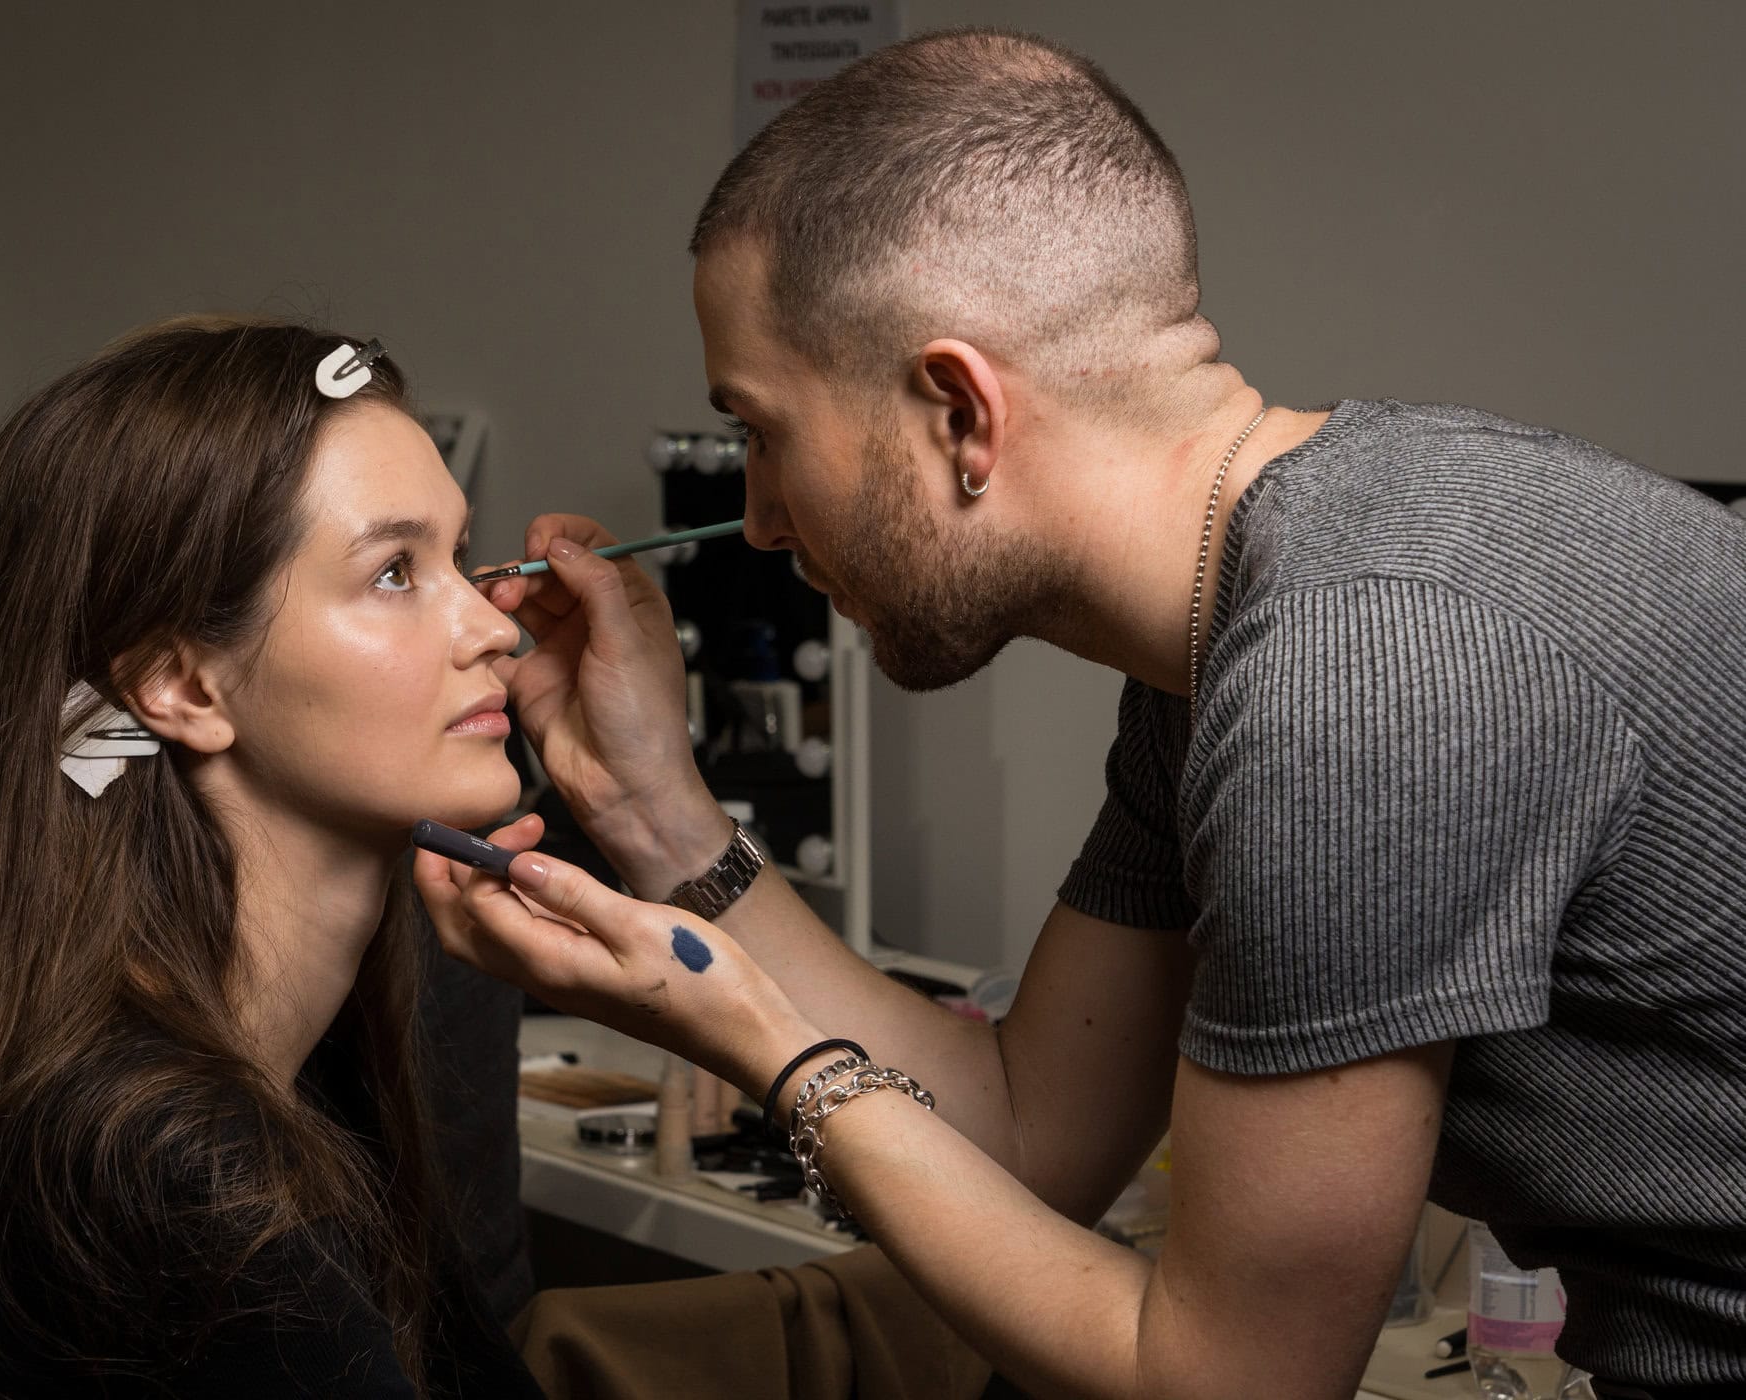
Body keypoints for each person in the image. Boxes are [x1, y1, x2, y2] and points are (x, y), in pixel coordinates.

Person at [418, 28, 1746, 1400]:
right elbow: (1027, 1132)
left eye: (761, 431)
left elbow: (1227, 1385)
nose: (754, 521)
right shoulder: (1249, 624)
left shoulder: (1356, 681)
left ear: (958, 413)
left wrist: (766, 1043)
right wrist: (655, 811)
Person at [0, 317, 545, 1398]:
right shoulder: (166, 1185)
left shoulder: (329, 1050)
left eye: (463, 554)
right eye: (396, 572)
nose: (495, 625)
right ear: (182, 688)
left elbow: (73, 724)